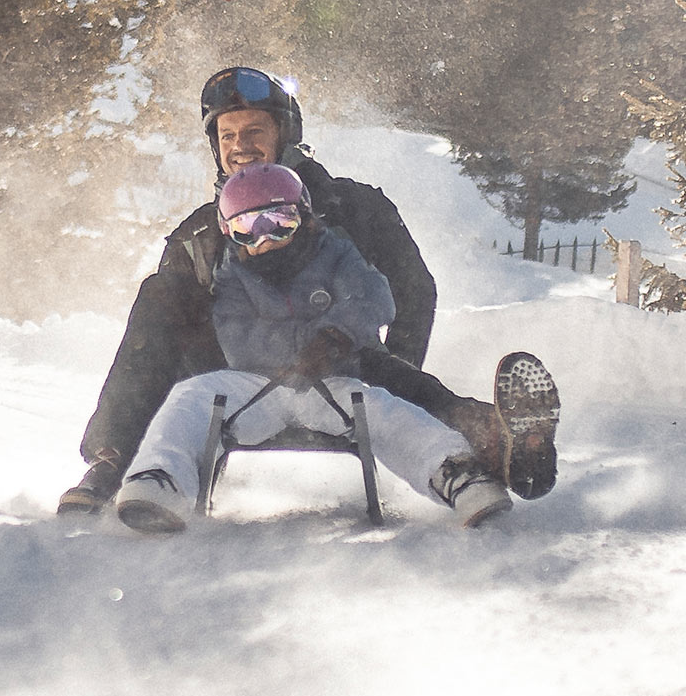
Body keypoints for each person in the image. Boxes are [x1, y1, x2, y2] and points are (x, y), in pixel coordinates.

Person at [59, 66, 558, 513]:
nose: (240, 144)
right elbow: (160, 336)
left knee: (385, 373)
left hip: (342, 361)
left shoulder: (354, 207)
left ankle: (495, 441)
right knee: (160, 294)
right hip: (234, 375)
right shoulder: (200, 233)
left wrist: (394, 374)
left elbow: (413, 291)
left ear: (286, 134)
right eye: (227, 134)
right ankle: (116, 460)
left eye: (255, 130)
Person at [113, 163, 517, 533]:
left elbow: (373, 298)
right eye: (246, 228)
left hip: (332, 380)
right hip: (255, 387)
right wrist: (298, 346)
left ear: (304, 218)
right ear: (229, 234)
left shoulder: (337, 254)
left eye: (279, 222)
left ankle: (455, 475)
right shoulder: (232, 277)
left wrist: (333, 338)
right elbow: (237, 338)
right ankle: (159, 477)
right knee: (191, 397)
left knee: (383, 410)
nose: (265, 239)